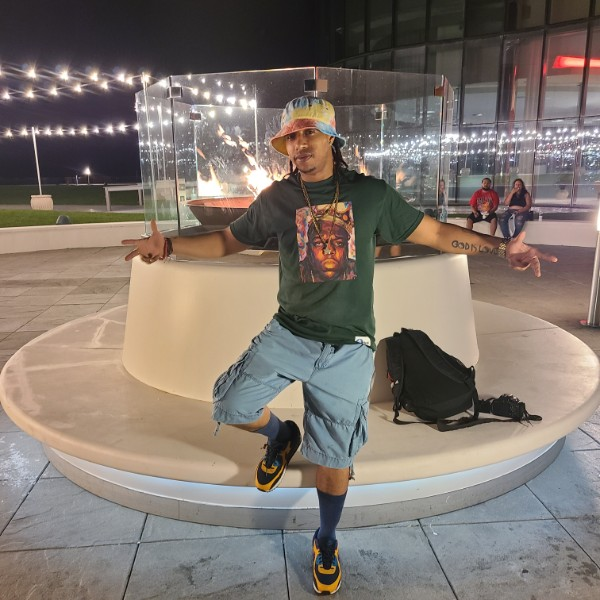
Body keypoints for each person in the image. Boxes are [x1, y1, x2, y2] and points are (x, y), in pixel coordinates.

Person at [122, 96, 557, 595]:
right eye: (291, 137)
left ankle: (325, 538)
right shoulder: (277, 198)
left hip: (348, 347)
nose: (299, 144)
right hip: (289, 332)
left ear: (332, 139)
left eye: (309, 133)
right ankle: (282, 437)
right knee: (231, 402)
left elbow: (435, 233)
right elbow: (228, 241)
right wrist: (169, 246)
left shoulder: (370, 194)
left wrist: (502, 248)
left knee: (334, 461)